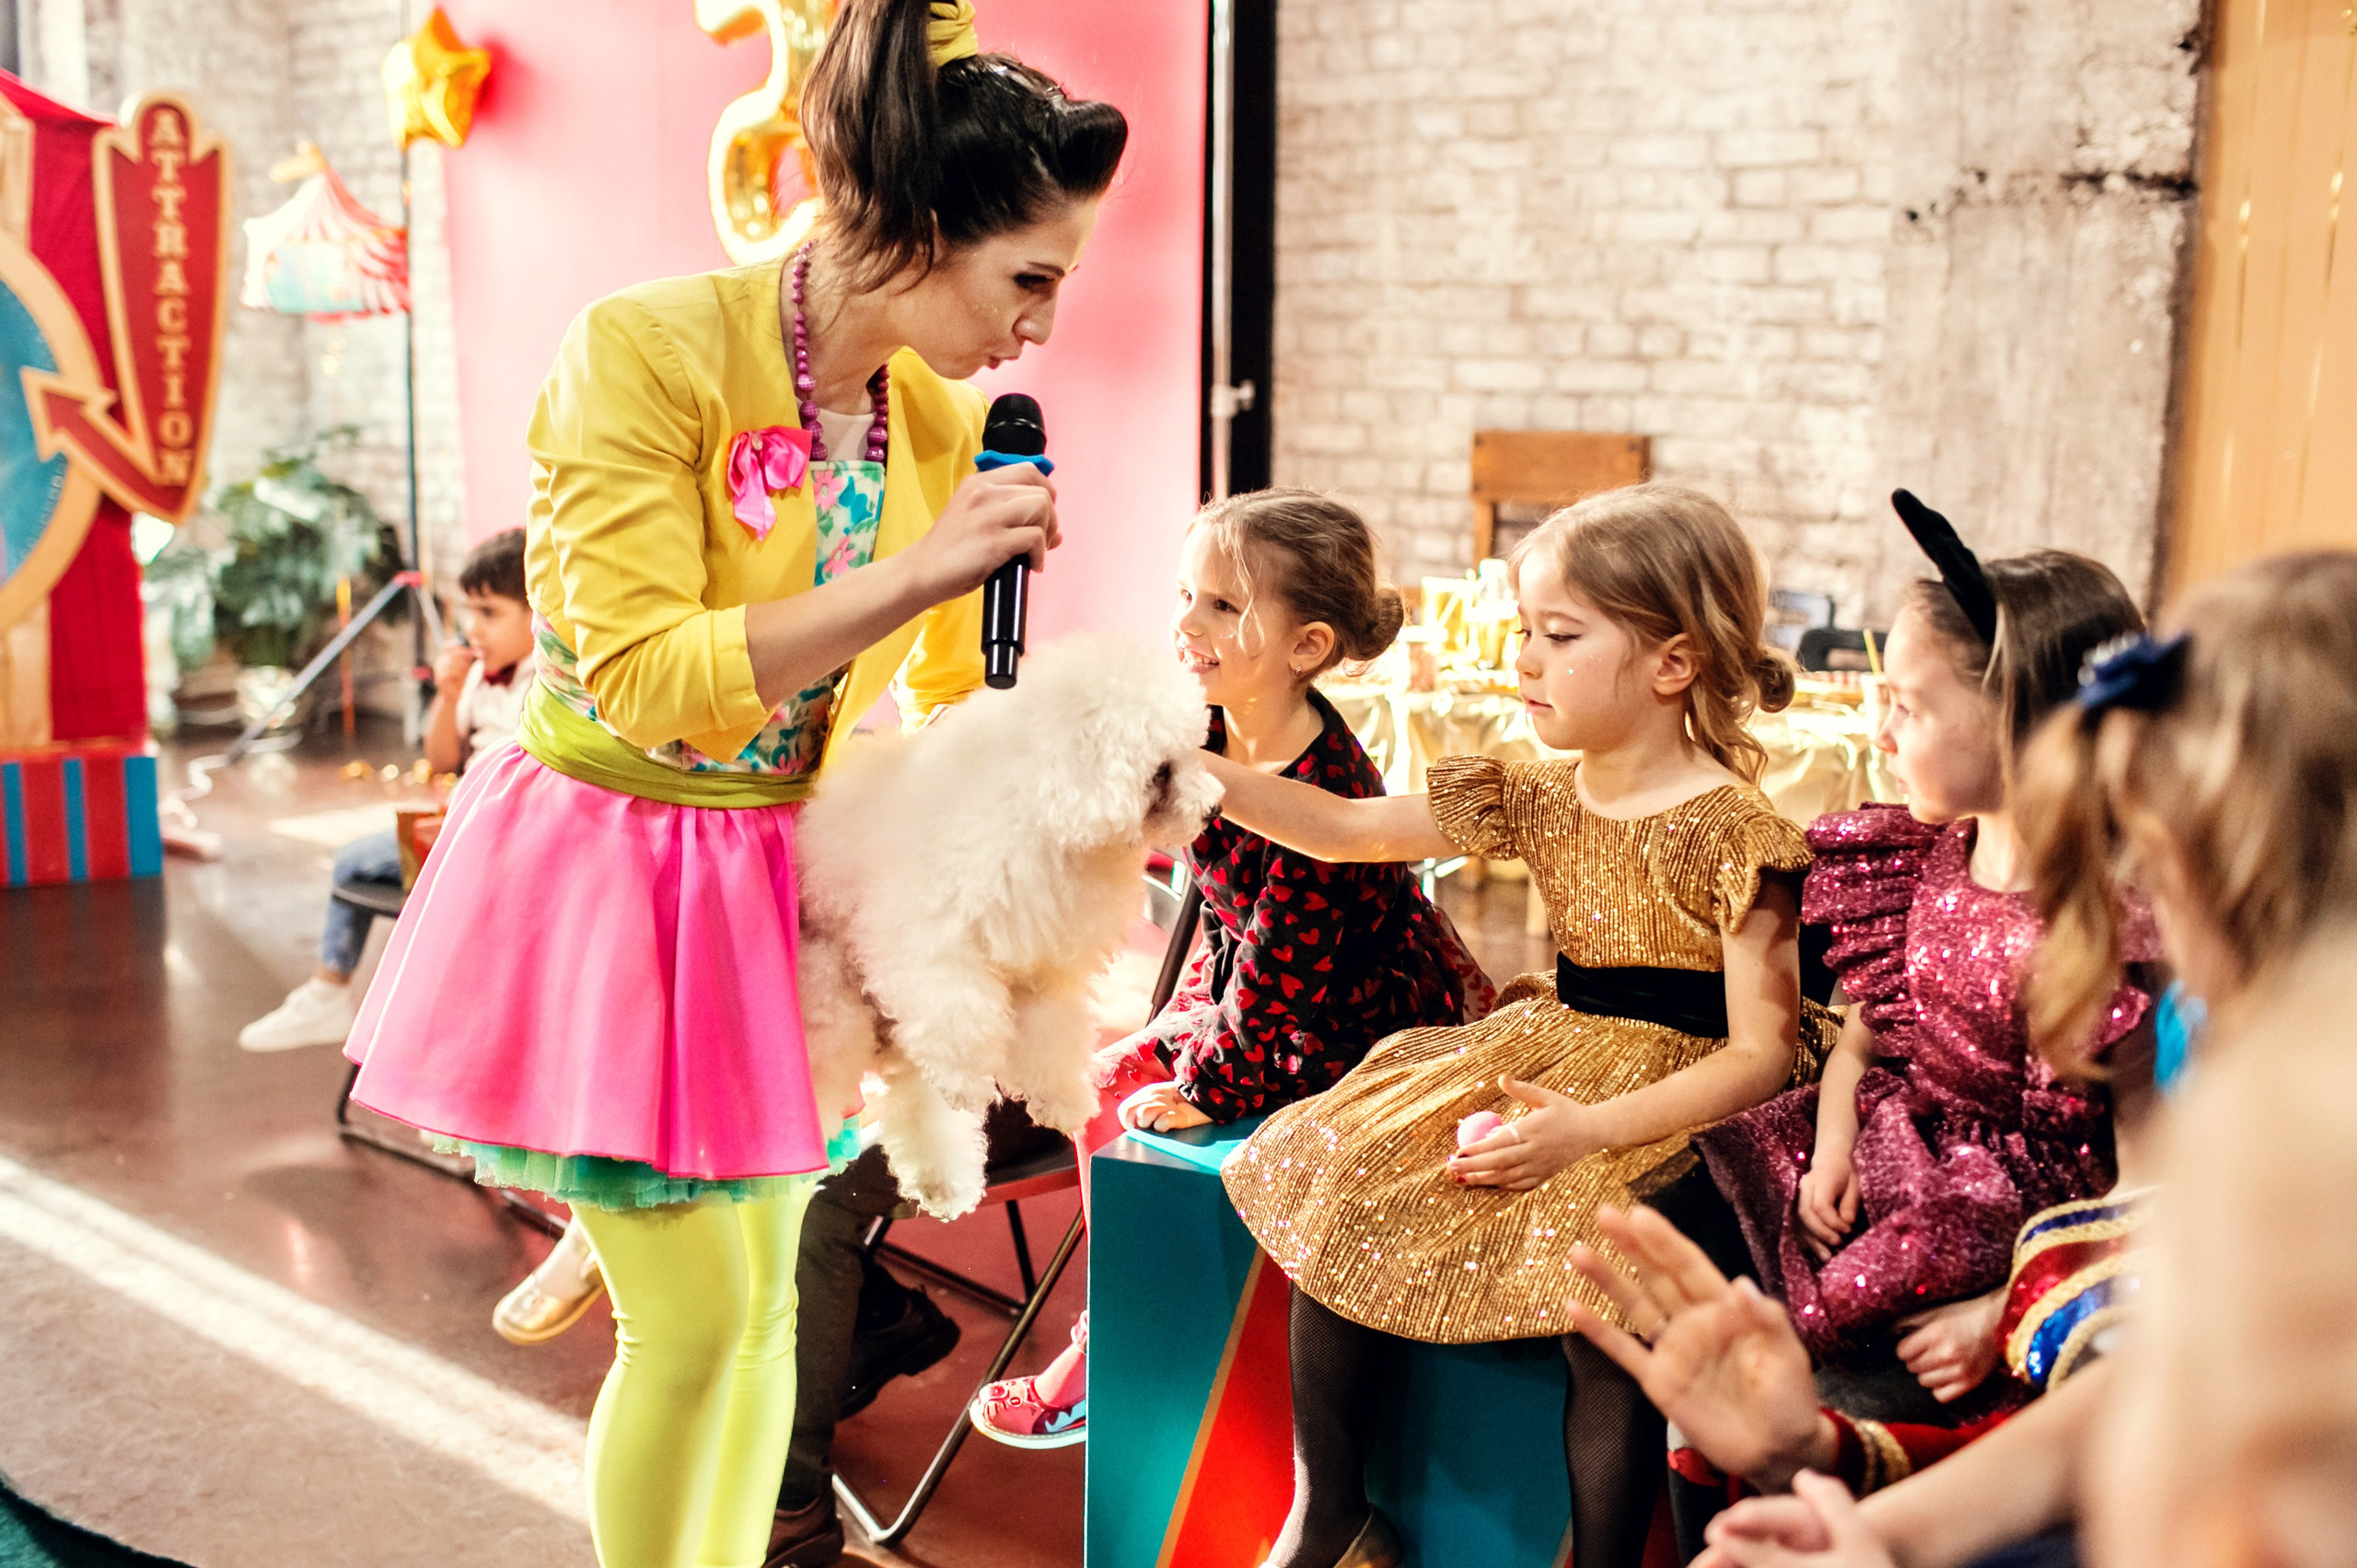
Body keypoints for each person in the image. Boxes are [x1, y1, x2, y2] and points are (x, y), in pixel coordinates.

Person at [340, 2, 1125, 1562]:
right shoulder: (643, 349)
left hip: (775, 880)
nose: (1042, 325)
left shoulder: (938, 420)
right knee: (693, 1326)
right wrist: (914, 579)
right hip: (614, 869)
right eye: (1028, 277)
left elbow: (933, 687)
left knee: (768, 1321)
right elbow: (638, 674)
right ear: (919, 223)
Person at [1646, 550, 2357, 1568]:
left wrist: (1984, 1331)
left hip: (2007, 1225)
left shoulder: (2267, 1100)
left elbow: (2144, 1332)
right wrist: (1855, 1505)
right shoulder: (2256, 1058)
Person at [1208, 484, 1833, 1568]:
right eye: (1521, 632)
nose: (1524, 660)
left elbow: (1760, 1052)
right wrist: (1185, 772)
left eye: (1559, 635)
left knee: (1609, 1298)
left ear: (1670, 663)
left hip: (1687, 1091)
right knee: (1342, 1162)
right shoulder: (1533, 787)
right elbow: (1347, 827)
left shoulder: (1739, 829)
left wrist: (1588, 1131)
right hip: (1561, 1042)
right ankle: (1331, 1510)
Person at [969, 489, 1495, 1449]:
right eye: (1184, 594)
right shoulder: (1204, 724)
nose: (1185, 622)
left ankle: (1112, 1345)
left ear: (1307, 646)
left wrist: (1212, 1080)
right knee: (1096, 1084)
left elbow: (1290, 975)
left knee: (1120, 1096)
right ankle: (1118, 1326)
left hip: (1345, 1015)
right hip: (1248, 982)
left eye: (1221, 605)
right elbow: (1220, 915)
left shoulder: (1326, 784)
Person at [1693, 506, 2153, 1387]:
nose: (1880, 733)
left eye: (1907, 705)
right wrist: (1831, 1148)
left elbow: (2143, 1189)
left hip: (2002, 1237)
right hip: (1885, 1154)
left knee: (1784, 1381)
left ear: (2021, 719)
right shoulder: (1929, 854)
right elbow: (1864, 1040)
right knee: (1683, 1246)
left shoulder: (2107, 933)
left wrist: (2007, 1311)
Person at [238, 528, 535, 1053]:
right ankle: (331, 997)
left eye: (490, 613)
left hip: (503, 842)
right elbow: (441, 758)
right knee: (356, 864)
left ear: (540, 615)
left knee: (402, 897)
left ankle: (356, 1008)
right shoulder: (478, 677)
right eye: (469, 612)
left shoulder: (544, 686)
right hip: (464, 828)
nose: (473, 630)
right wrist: (446, 696)